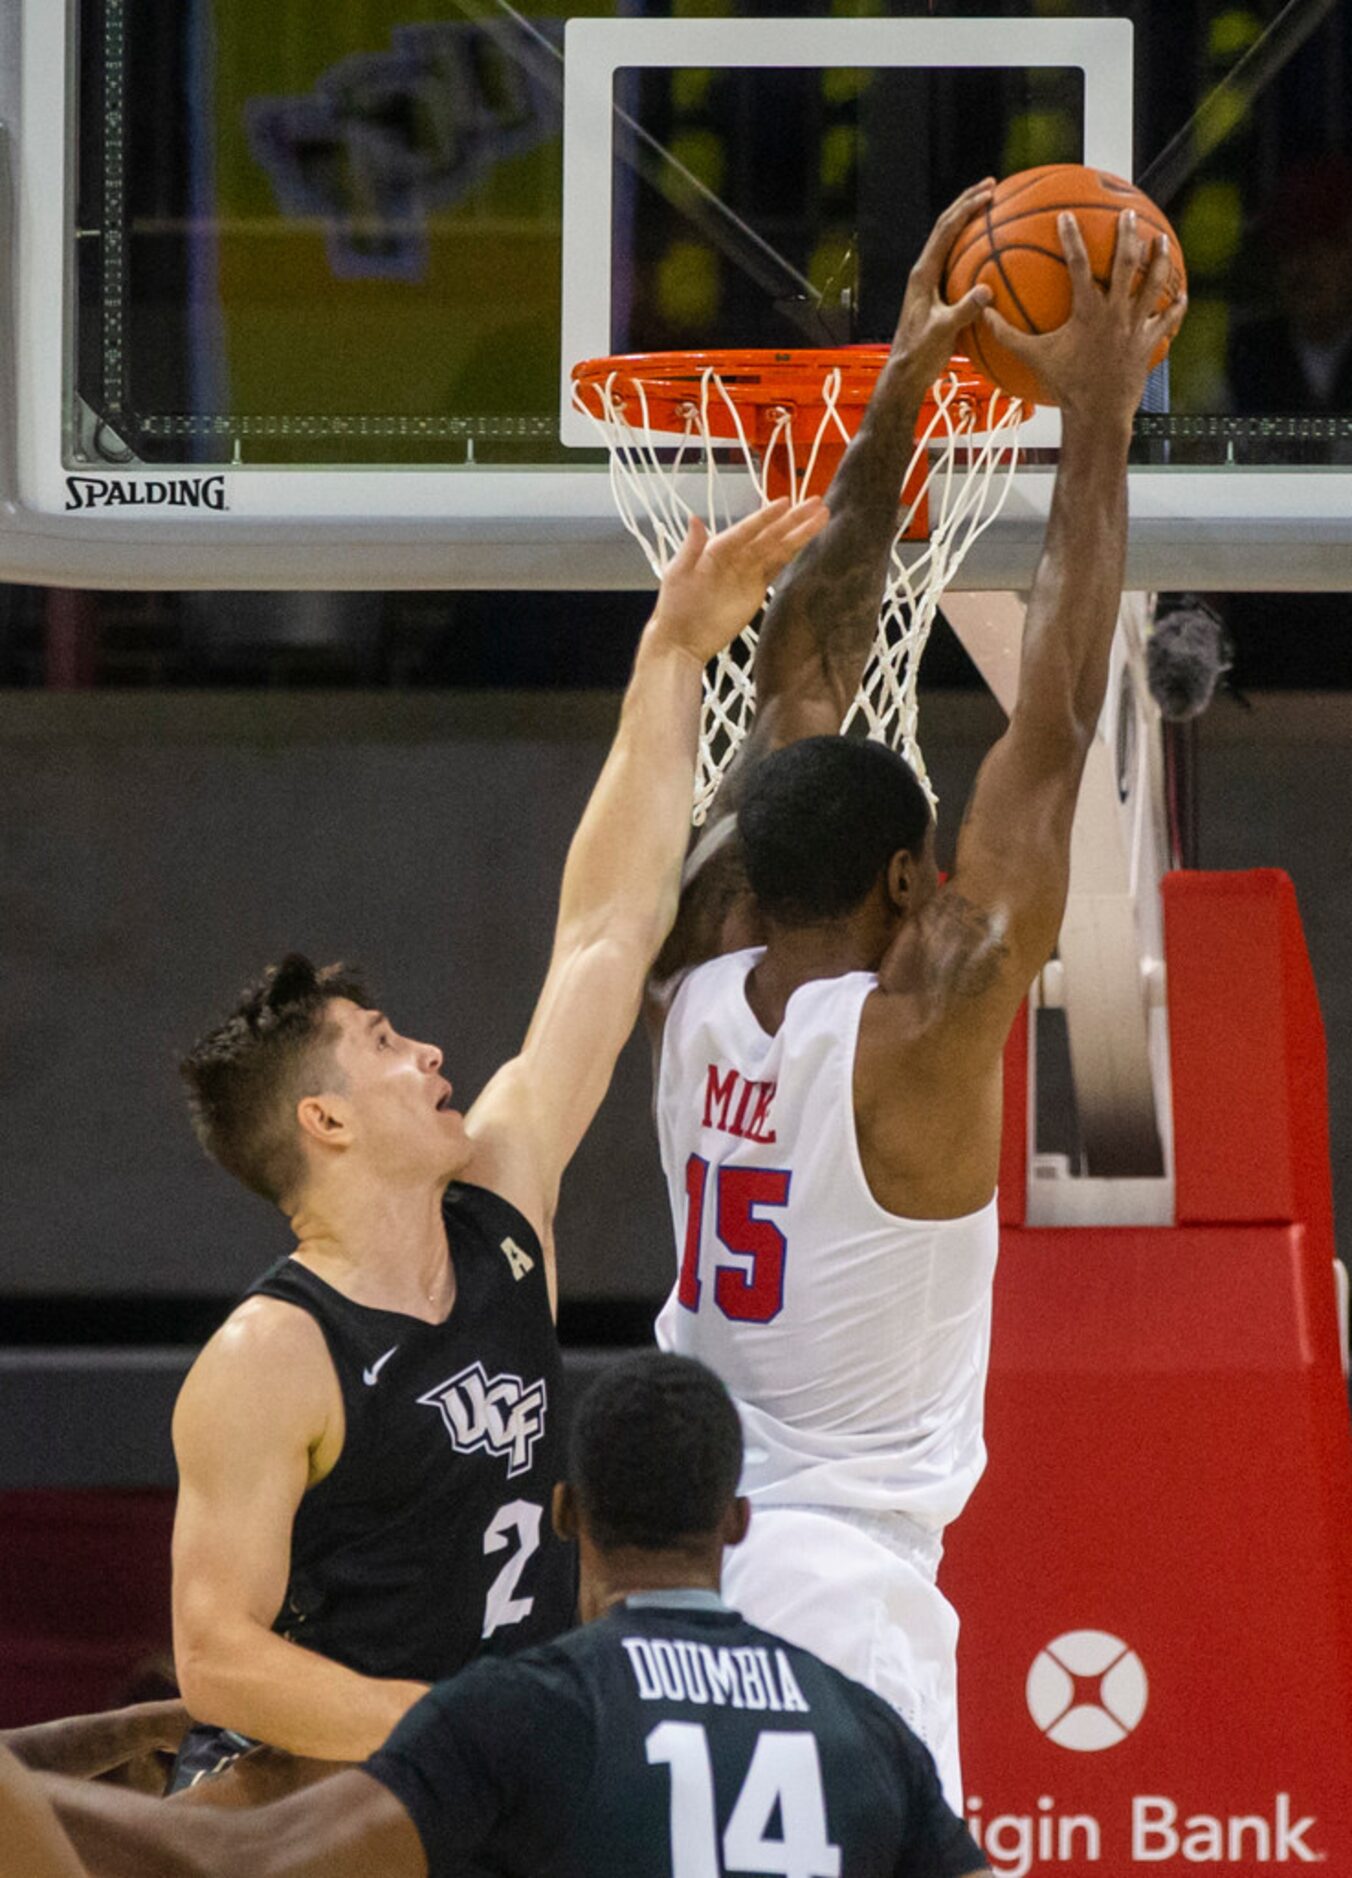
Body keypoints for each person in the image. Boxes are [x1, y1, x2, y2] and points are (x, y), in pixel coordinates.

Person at [647, 185, 1187, 1807]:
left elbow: (809, 658)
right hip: (843, 1585)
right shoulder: (924, 1018)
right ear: (904, 883)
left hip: (687, 1568)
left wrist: (895, 388)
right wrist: (1092, 418)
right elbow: (1056, 716)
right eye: (932, 852)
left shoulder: (700, 976)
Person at [159, 494, 829, 1788]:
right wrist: (457, 1730)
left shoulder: (500, 1206)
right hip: (312, 1799)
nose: (430, 1056)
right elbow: (219, 1659)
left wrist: (673, 652)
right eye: (384, 1041)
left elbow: (602, 936)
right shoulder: (272, 1354)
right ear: (326, 1119)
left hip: (477, 1782)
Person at [14, 1353, 993, 1878]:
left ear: (566, 1514)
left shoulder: (534, 1711)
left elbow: (241, 1860)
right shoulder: (863, 1731)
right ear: (733, 1522)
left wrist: (27, 1794)